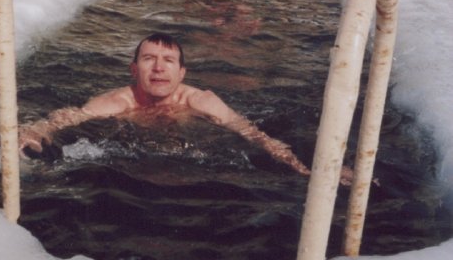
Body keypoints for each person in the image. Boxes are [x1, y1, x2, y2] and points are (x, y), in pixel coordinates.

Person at [19, 32, 346, 182]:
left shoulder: (201, 101)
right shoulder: (116, 102)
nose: (159, 68)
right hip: (132, 171)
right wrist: (33, 133)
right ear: (134, 70)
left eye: (168, 61)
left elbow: (254, 135)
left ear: (182, 72)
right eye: (149, 59)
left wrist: (306, 169)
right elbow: (63, 118)